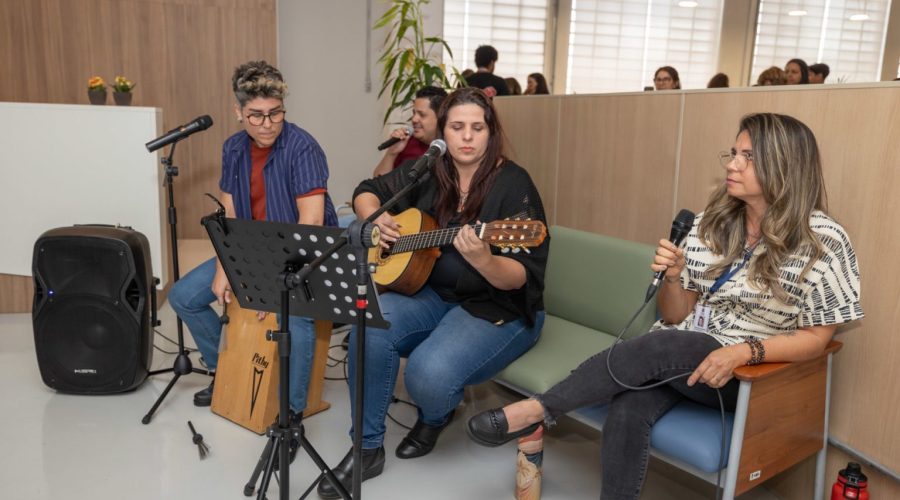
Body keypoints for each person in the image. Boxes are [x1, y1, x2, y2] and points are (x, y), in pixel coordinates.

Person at [467, 112, 863, 500]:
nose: (733, 165)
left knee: (675, 344)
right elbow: (675, 315)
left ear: (783, 167)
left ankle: (537, 410)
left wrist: (743, 351)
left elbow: (816, 339)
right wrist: (674, 275)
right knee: (629, 406)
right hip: (679, 356)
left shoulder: (822, 241)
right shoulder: (713, 223)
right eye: (733, 153)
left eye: (748, 157)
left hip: (746, 374)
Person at [317, 87, 549, 498]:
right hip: (430, 292)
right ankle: (367, 448)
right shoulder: (430, 168)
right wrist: (379, 220)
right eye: (457, 127)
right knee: (367, 329)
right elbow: (366, 189)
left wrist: (483, 259)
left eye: (477, 128)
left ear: (490, 131)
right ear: (443, 131)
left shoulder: (514, 185)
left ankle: (436, 414)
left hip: (497, 307)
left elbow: (518, 277)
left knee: (427, 375)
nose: (466, 137)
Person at [168, 60, 338, 421]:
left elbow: (312, 223)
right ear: (238, 112)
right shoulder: (232, 149)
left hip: (304, 256)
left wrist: (267, 284)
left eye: (275, 114)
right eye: (256, 115)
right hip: (254, 248)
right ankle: (223, 369)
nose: (267, 125)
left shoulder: (303, 147)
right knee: (183, 297)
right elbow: (229, 216)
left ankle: (292, 413)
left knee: (299, 322)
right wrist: (225, 267)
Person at [372, 86, 447, 177]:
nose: (414, 119)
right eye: (414, 113)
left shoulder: (453, 147)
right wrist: (391, 153)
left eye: (422, 115)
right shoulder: (406, 143)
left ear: (440, 117)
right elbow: (378, 183)